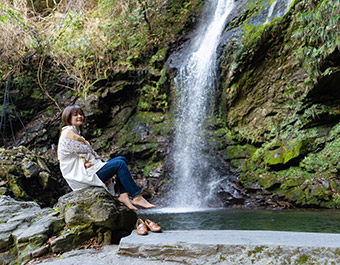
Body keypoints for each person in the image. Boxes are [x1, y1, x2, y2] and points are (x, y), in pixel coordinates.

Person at [57, 105, 155, 211]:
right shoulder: (68, 133)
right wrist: (88, 163)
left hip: (87, 171)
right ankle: (137, 196)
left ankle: (123, 195)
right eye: (75, 115)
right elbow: (81, 155)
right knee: (119, 164)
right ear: (68, 117)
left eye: (81, 114)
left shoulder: (74, 133)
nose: (79, 116)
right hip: (81, 177)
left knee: (121, 159)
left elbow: (84, 155)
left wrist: (88, 163)